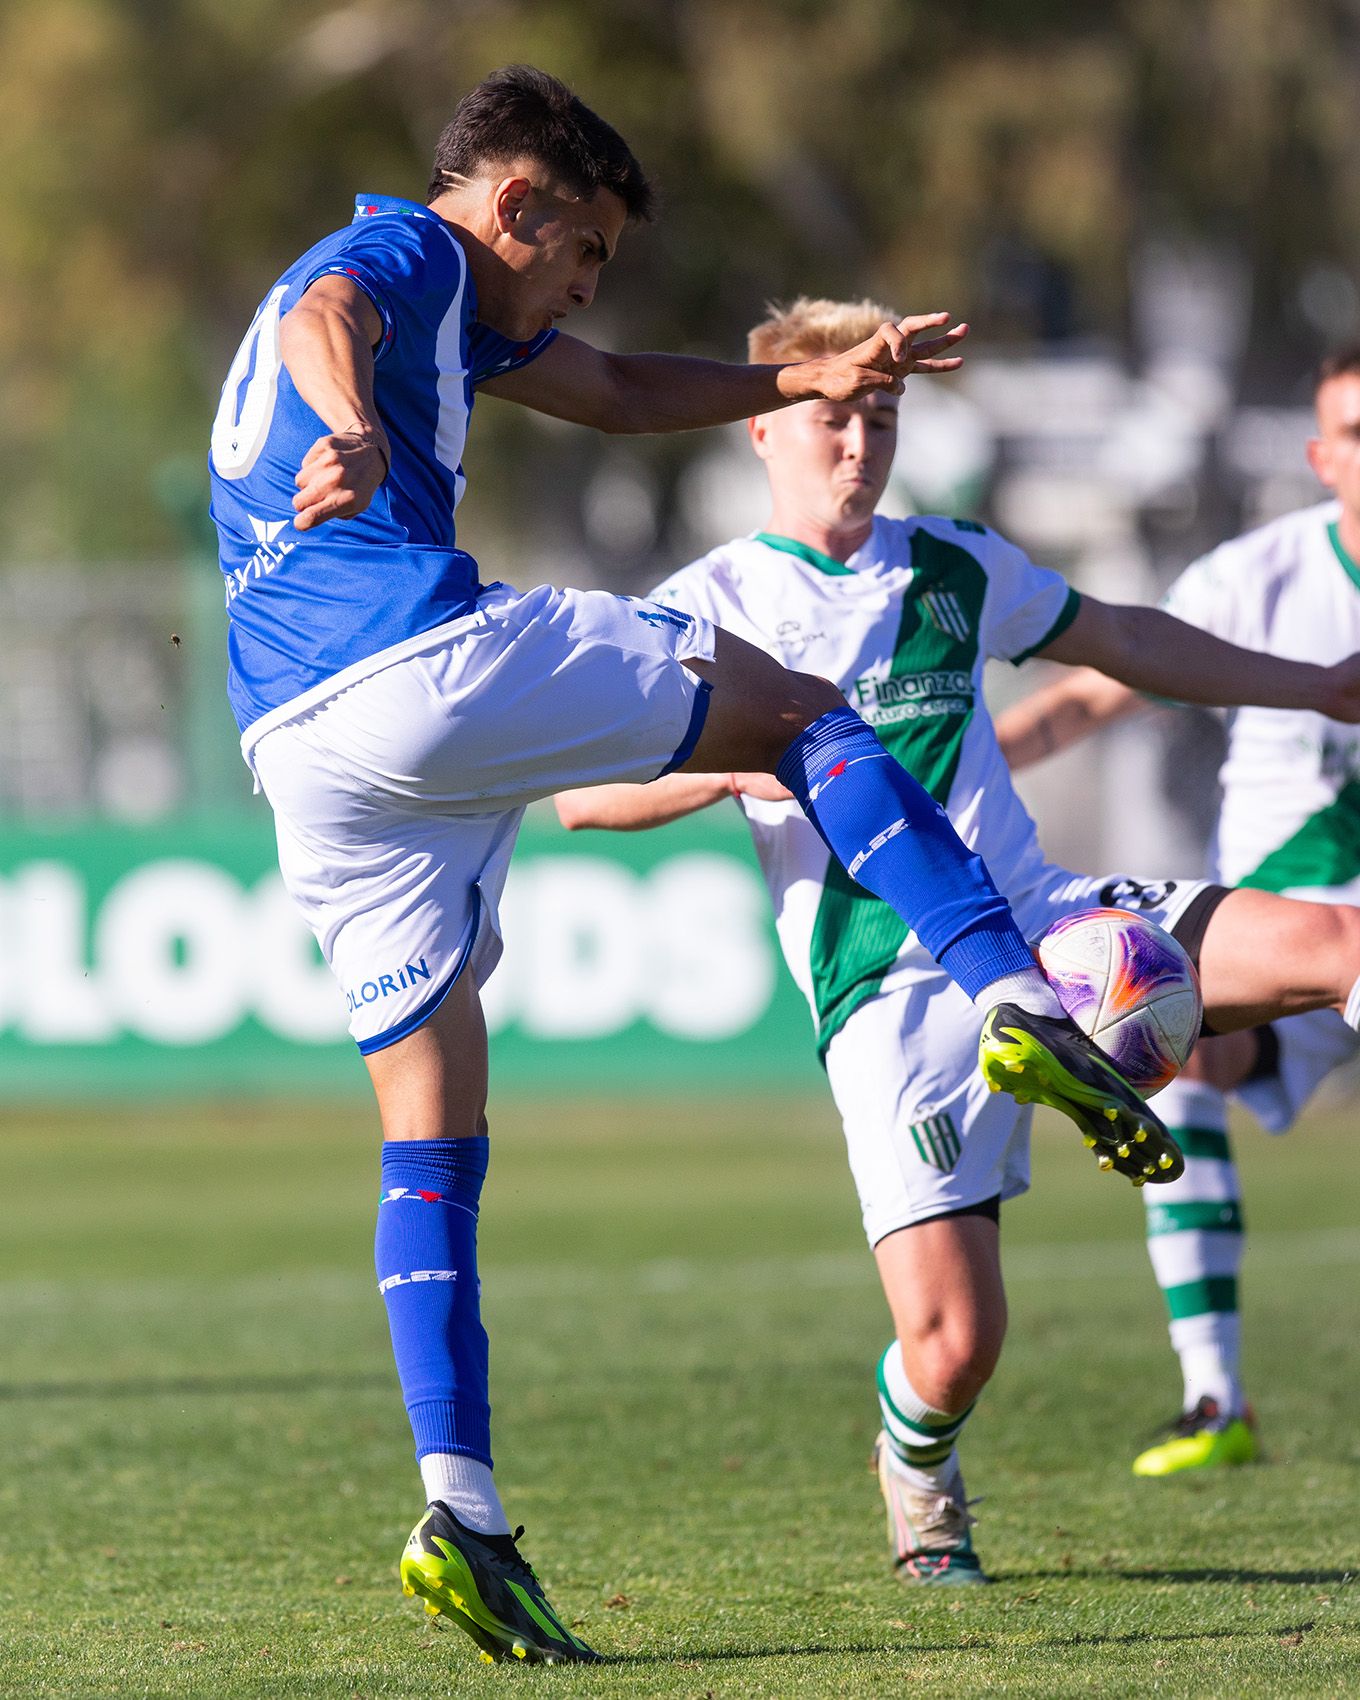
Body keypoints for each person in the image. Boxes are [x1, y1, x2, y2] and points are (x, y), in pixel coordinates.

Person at [206, 70, 1162, 1665]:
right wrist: (363, 430)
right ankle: (1009, 989)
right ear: (516, 205)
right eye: (582, 250)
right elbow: (322, 314)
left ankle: (467, 1514)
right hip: (410, 660)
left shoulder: (468, 311)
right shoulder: (413, 258)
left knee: (432, 1119)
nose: (587, 285)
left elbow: (629, 395)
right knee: (804, 712)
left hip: (297, 743)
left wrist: (806, 370)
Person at [554, 297, 1360, 1587]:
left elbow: (1125, 639)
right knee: (953, 1346)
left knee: (1336, 941)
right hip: (889, 986)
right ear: (764, 428)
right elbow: (582, 793)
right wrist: (729, 769)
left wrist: (1310, 682)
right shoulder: (709, 606)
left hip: (1050, 924)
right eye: (831, 415)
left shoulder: (952, 564)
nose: (859, 441)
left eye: (880, 415)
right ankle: (917, 1469)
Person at [993, 346, 1360, 1478]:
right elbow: (1089, 693)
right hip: (1279, 924)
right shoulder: (1254, 576)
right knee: (1186, 1053)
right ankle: (1214, 1395)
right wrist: (926, 775)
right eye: (1352, 432)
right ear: (1317, 456)